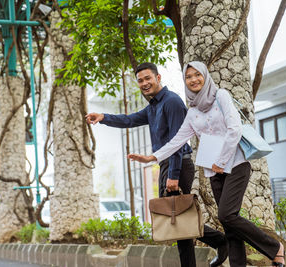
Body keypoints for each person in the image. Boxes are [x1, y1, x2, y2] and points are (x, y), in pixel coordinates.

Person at [128, 61, 286, 267]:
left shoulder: (221, 96)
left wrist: (221, 160)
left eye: (197, 75)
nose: (193, 80)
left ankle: (274, 248)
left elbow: (235, 129)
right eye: (188, 77)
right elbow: (177, 140)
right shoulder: (192, 112)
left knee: (226, 215)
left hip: (236, 164)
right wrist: (153, 158)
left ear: (205, 75)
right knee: (230, 225)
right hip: (213, 172)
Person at [86, 62, 228, 267]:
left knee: (178, 217)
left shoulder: (172, 102)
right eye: (140, 80)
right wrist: (103, 117)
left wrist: (173, 174)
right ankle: (219, 242)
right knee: (177, 218)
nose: (144, 83)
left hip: (177, 164)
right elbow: (129, 120)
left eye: (148, 78)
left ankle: (220, 241)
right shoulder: (153, 106)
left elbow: (177, 143)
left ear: (158, 78)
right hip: (167, 165)